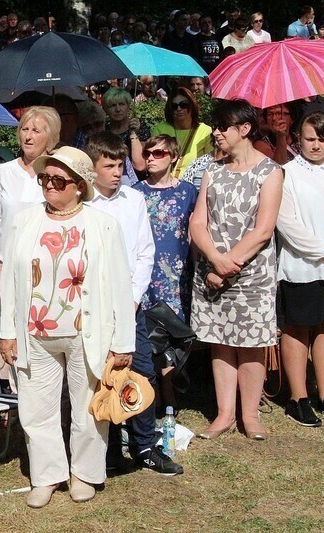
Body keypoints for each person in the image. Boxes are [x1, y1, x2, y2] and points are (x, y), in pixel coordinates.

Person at [0, 145, 134, 507]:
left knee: (88, 408)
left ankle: (83, 474)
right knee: (35, 409)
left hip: (87, 333)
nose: (49, 186)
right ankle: (46, 475)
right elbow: (9, 279)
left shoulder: (103, 225)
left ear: (79, 185)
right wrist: (7, 331)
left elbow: (122, 285)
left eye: (59, 180)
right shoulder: (23, 221)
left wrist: (124, 342)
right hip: (34, 333)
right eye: (44, 178)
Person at [87, 132, 183, 475]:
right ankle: (109, 448)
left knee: (142, 371)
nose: (117, 172)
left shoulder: (133, 199)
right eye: (109, 166)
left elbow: (145, 251)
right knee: (101, 375)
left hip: (131, 306)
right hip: (95, 307)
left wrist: (132, 298)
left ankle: (143, 445)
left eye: (120, 165)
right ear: (92, 168)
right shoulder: (83, 204)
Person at [189, 99, 283, 440]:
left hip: (251, 276)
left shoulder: (270, 172)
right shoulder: (212, 171)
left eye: (222, 127)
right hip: (212, 272)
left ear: (243, 130)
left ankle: (250, 414)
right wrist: (214, 259)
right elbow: (198, 221)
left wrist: (227, 265)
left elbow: (263, 230)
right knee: (220, 342)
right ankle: (225, 414)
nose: (215, 133)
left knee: (252, 342)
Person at [276, 112, 324, 426]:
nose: (317, 145)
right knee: (298, 327)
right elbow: (288, 224)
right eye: (310, 139)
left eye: (323, 139)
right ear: (298, 137)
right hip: (304, 264)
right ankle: (298, 397)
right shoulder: (288, 173)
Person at [133, 135, 198, 408]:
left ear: (173, 157)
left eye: (158, 153)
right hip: (146, 276)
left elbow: (196, 233)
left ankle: (171, 397)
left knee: (173, 335)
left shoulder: (189, 192)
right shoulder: (135, 192)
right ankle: (152, 398)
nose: (150, 157)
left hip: (177, 275)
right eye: (148, 152)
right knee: (149, 337)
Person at [0, 106, 60, 261]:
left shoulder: (58, 176)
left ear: (50, 137)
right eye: (24, 129)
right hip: (6, 263)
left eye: (36, 131)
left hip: (44, 263)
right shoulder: (5, 171)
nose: (28, 136)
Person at [151, 87, 214, 180]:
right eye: (174, 106)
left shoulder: (205, 131)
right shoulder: (160, 129)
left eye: (183, 105)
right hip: (165, 183)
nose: (179, 108)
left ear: (192, 106)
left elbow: (209, 163)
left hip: (194, 185)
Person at [101, 88, 149, 185]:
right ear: (105, 109)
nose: (118, 109)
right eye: (113, 105)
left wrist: (133, 133)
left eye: (122, 104)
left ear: (128, 106)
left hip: (137, 182)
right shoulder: (104, 131)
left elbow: (140, 165)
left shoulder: (140, 128)